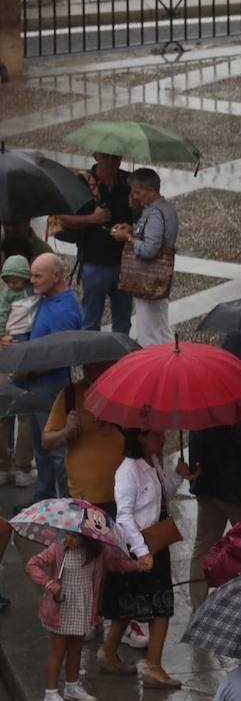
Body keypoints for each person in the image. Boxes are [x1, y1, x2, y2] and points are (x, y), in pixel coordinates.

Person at [183, 333, 241, 608]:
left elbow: (196, 435)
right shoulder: (240, 393)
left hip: (207, 486)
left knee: (203, 545)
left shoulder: (204, 386)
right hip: (235, 490)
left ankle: (198, 606)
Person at [26, 527, 147, 701]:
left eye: (73, 536)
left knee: (76, 648)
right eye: (67, 534)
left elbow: (116, 564)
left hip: (82, 606)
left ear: (86, 539)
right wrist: (49, 583)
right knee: (58, 650)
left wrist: (138, 565)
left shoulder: (98, 553)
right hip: (60, 608)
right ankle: (50, 694)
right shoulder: (58, 549)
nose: (68, 539)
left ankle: (72, 686)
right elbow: (33, 564)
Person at [98, 427, 180, 688]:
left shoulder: (153, 462)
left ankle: (114, 653)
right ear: (141, 438)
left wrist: (179, 475)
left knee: (145, 605)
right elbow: (124, 516)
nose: (162, 436)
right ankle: (150, 665)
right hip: (139, 545)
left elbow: (160, 494)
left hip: (155, 541)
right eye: (156, 434)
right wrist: (142, 553)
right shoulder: (127, 471)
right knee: (151, 607)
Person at [18, 254, 82, 500]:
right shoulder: (48, 297)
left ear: (56, 276)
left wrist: (26, 370)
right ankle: (42, 500)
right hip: (37, 388)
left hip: (50, 390)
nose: (32, 280)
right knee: (41, 449)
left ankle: (67, 507)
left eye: (37, 275)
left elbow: (58, 357)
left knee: (56, 451)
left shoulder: (64, 309)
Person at [52, 152, 134, 333]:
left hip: (125, 263)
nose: (112, 161)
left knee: (123, 320)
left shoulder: (128, 181)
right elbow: (63, 217)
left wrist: (131, 227)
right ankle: (91, 361)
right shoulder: (81, 183)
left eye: (116, 157)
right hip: (94, 262)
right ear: (96, 156)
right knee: (90, 321)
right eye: (107, 157)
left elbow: (141, 215)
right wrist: (93, 219)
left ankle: (120, 360)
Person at [41, 360, 124, 511]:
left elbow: (147, 437)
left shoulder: (124, 392)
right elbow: (47, 441)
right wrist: (66, 431)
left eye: (100, 365)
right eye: (89, 365)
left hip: (125, 495)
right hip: (83, 498)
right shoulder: (70, 395)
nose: (93, 369)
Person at [110, 168, 178, 346]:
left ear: (151, 191)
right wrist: (133, 229)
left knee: (148, 332)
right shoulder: (165, 208)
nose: (134, 197)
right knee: (161, 327)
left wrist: (128, 238)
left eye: (137, 192)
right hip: (158, 280)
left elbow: (150, 250)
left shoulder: (155, 214)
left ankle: (156, 368)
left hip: (148, 279)